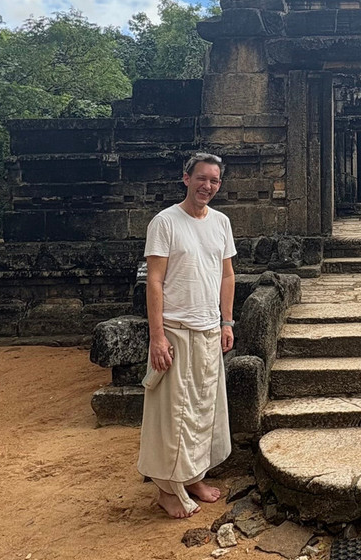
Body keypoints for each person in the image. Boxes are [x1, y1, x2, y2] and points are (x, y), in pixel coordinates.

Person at [137, 152, 237, 518]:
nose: (207, 186)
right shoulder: (165, 222)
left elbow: (227, 275)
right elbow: (155, 281)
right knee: (172, 413)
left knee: (202, 410)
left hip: (210, 329)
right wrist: (157, 336)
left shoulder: (221, 223)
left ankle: (194, 477)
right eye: (201, 178)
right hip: (176, 331)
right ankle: (167, 490)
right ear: (186, 178)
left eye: (213, 180)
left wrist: (227, 322)